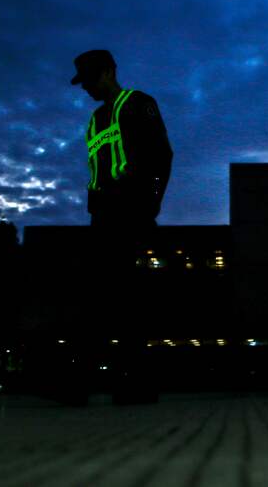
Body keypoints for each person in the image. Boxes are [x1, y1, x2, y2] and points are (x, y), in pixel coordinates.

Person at [69, 49, 173, 403]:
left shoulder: (137, 103)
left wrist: (152, 202)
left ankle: (130, 383)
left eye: (90, 80)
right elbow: (96, 170)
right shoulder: (94, 121)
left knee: (123, 297)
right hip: (103, 218)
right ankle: (92, 381)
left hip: (131, 212)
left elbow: (162, 155)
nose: (86, 89)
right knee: (101, 297)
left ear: (109, 72)